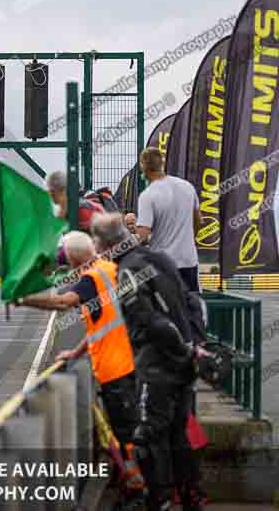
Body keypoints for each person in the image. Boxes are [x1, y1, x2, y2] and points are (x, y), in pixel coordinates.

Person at [16, 231, 144, 506]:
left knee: (126, 434)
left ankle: (139, 491)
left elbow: (63, 303)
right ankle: (135, 483)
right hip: (128, 362)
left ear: (73, 259)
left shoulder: (91, 279)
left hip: (115, 368)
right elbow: (104, 325)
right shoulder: (110, 269)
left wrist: (23, 299)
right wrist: (75, 352)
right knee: (129, 430)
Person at [91, 213, 208, 511]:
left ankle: (160, 500)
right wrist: (194, 346)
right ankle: (192, 496)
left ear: (106, 244)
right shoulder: (162, 258)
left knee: (147, 436)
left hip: (157, 364)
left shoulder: (128, 270)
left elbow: (149, 321)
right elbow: (193, 302)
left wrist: (179, 350)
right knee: (178, 432)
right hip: (183, 364)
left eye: (96, 243)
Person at [136, 147, 202, 292]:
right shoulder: (187, 186)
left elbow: (142, 236)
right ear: (162, 164)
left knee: (164, 308)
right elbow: (198, 221)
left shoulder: (148, 195)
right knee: (192, 307)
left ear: (142, 166)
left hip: (162, 265)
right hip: (188, 260)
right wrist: (189, 240)